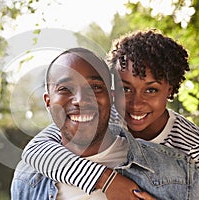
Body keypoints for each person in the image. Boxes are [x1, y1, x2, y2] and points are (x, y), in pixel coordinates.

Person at [21, 30, 199, 199]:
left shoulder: (190, 144)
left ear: (170, 90)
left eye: (151, 90)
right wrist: (107, 181)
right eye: (126, 88)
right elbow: (35, 150)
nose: (136, 104)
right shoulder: (105, 115)